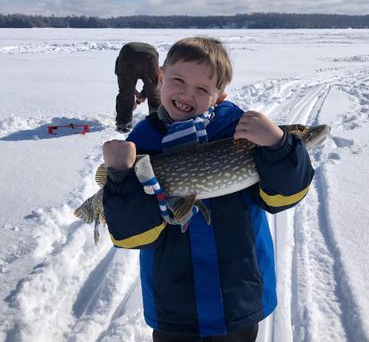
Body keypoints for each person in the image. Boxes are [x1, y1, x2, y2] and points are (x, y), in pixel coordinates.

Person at [102, 37, 315, 341]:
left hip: (237, 292)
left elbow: (282, 197)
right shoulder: (141, 143)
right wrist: (120, 177)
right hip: (175, 301)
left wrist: (279, 147)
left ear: (219, 96)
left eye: (202, 89)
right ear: (160, 79)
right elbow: (132, 233)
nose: (188, 94)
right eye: (178, 81)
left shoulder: (242, 133)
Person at [114, 42, 161, 132]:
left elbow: (124, 84)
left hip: (127, 55)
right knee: (154, 91)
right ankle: (157, 121)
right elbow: (152, 84)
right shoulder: (156, 63)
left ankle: (123, 124)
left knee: (125, 93)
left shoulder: (120, 62)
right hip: (150, 56)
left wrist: (138, 96)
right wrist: (141, 95)